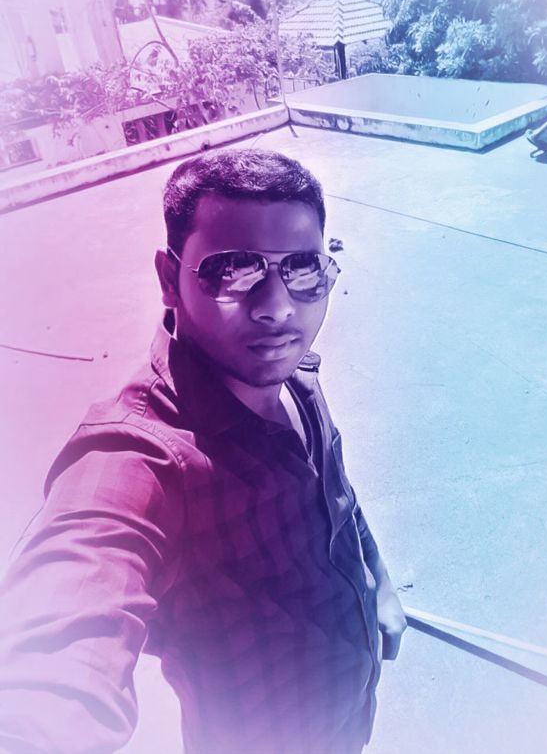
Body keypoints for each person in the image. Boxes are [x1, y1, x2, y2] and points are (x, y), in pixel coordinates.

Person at [0, 149, 406, 754]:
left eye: (304, 269)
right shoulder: (143, 460)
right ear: (170, 279)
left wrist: (378, 580)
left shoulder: (295, 377)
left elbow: (336, 494)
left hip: (349, 719)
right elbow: (57, 651)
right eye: (232, 271)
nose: (277, 307)